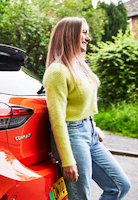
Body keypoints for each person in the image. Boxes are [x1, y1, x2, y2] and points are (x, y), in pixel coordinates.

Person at [43, 17, 131, 200]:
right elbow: (57, 119)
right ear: (70, 35)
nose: (88, 38)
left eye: (87, 33)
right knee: (81, 196)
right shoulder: (57, 71)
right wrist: (67, 160)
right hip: (72, 136)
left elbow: (82, 105)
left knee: (120, 186)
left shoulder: (79, 67)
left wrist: (94, 126)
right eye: (84, 32)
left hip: (90, 133)